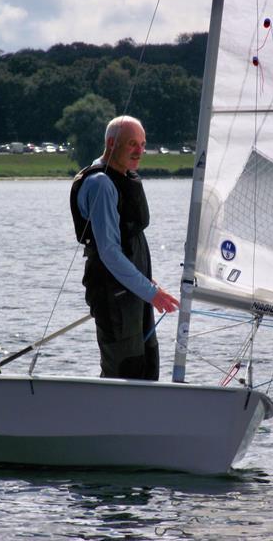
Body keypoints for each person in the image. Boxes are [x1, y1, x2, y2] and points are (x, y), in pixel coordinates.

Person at [69, 115, 180, 380]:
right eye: (132, 143)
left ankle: (145, 419)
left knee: (147, 365)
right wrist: (150, 292)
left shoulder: (124, 178)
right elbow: (108, 251)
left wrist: (147, 285)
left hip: (134, 292)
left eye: (142, 144)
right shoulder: (101, 184)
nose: (139, 151)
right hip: (111, 295)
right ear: (111, 142)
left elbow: (128, 242)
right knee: (125, 369)